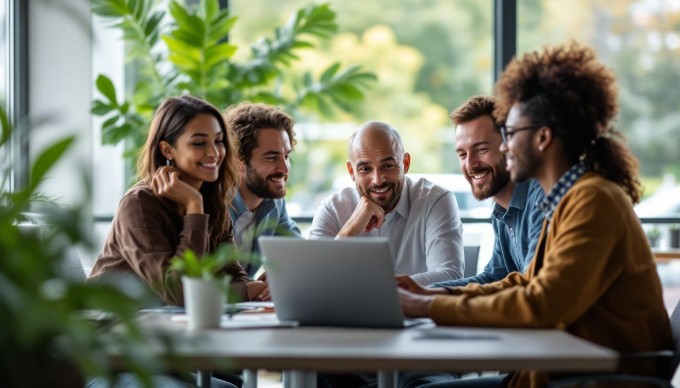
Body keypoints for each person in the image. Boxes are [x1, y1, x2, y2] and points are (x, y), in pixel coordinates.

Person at [399, 43, 673, 388]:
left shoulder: (594, 200)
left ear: (543, 138)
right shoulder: (566, 200)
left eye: (510, 135)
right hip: (561, 371)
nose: (505, 146)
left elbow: (543, 304)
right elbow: (525, 282)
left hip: (599, 378)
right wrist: (431, 296)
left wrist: (428, 308)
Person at [89, 95, 267, 307]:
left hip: (166, 325)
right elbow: (180, 293)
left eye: (218, 141)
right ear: (167, 150)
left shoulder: (212, 201)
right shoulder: (138, 204)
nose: (214, 152)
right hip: (109, 326)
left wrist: (253, 288)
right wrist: (194, 208)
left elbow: (234, 276)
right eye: (199, 143)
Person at [402, 96, 543, 291]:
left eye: (482, 149)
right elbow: (493, 277)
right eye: (462, 154)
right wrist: (421, 291)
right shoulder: (502, 211)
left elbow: (533, 291)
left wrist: (426, 301)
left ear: (509, 146)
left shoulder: (540, 199)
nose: (470, 164)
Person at [309, 121, 464, 285]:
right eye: (365, 169)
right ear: (351, 172)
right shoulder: (332, 209)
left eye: (388, 166)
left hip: (416, 311)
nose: (377, 180)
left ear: (405, 164)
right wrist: (349, 231)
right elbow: (312, 281)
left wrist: (377, 288)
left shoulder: (435, 200)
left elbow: (449, 275)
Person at [224, 102, 302, 279]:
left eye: (286, 156)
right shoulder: (212, 203)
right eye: (272, 157)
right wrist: (250, 288)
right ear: (238, 161)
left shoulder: (273, 202)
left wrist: (281, 272)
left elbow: (302, 256)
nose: (285, 168)